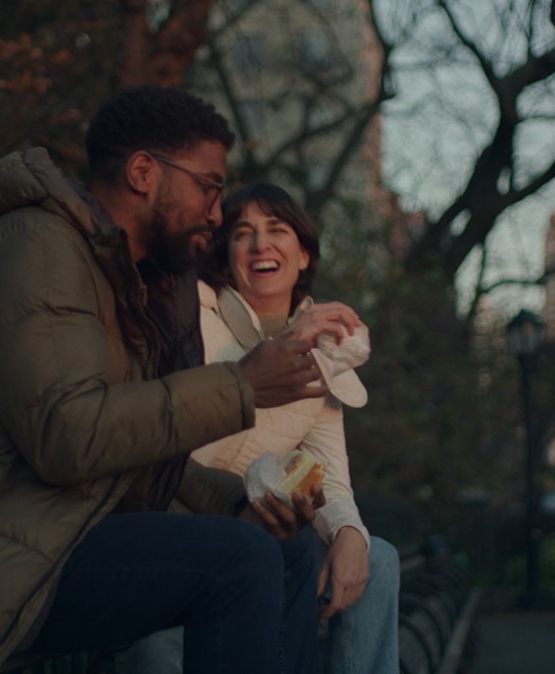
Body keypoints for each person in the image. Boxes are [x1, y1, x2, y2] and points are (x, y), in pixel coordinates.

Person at [0, 87, 331, 674]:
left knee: (284, 545)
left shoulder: (123, 280)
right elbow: (69, 436)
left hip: (56, 538)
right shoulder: (35, 248)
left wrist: (240, 501)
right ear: (144, 172)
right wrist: (239, 386)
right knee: (238, 560)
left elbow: (133, 453)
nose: (217, 213)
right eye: (210, 186)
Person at [122, 183, 401, 674]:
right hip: (176, 532)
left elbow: (325, 477)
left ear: (303, 254)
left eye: (277, 230)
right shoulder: (189, 316)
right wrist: (292, 341)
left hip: (268, 540)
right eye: (242, 234)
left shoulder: (324, 354)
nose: (259, 245)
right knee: (157, 654)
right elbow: (167, 434)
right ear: (226, 255)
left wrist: (350, 535)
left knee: (377, 559)